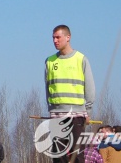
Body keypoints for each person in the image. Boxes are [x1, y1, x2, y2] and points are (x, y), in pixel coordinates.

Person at [45, 24, 96, 163]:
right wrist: (51, 109)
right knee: (58, 155)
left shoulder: (81, 59)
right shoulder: (49, 61)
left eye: (58, 37)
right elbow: (48, 88)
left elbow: (90, 88)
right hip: (57, 115)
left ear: (68, 37)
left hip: (77, 115)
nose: (55, 41)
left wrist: (88, 111)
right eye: (53, 38)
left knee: (77, 155)